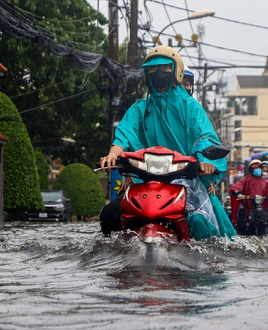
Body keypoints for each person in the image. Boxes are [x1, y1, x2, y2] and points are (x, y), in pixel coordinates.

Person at [99, 45, 236, 241]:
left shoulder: (191, 107)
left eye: (164, 68)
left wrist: (205, 162)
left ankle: (203, 262)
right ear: (146, 74)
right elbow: (124, 134)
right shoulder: (140, 108)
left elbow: (204, 138)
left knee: (200, 221)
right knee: (109, 215)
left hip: (185, 179)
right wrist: (113, 153)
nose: (159, 73)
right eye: (153, 69)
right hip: (145, 179)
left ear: (176, 71)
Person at [228, 159, 268, 234]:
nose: (257, 170)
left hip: (261, 205)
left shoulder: (265, 181)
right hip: (247, 204)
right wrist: (238, 194)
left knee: (267, 218)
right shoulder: (246, 180)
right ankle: (238, 228)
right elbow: (236, 187)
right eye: (255, 168)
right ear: (251, 170)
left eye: (259, 168)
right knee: (241, 213)